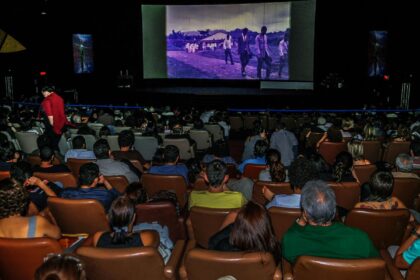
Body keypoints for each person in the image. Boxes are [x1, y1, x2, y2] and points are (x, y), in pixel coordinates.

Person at [282, 180, 379, 263]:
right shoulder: (360, 238)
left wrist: (300, 221)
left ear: (306, 213)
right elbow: (376, 265)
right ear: (334, 209)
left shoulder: (291, 241)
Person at [208, 201, 280, 264]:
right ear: (266, 225)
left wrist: (234, 225)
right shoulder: (273, 250)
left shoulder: (223, 247)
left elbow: (212, 243)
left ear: (239, 226)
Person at [40, 85, 70, 150]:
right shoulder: (58, 99)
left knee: (52, 144)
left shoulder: (48, 100)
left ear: (46, 92)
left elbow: (50, 116)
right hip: (57, 125)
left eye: (43, 93)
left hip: (51, 126)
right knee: (55, 143)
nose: (43, 95)